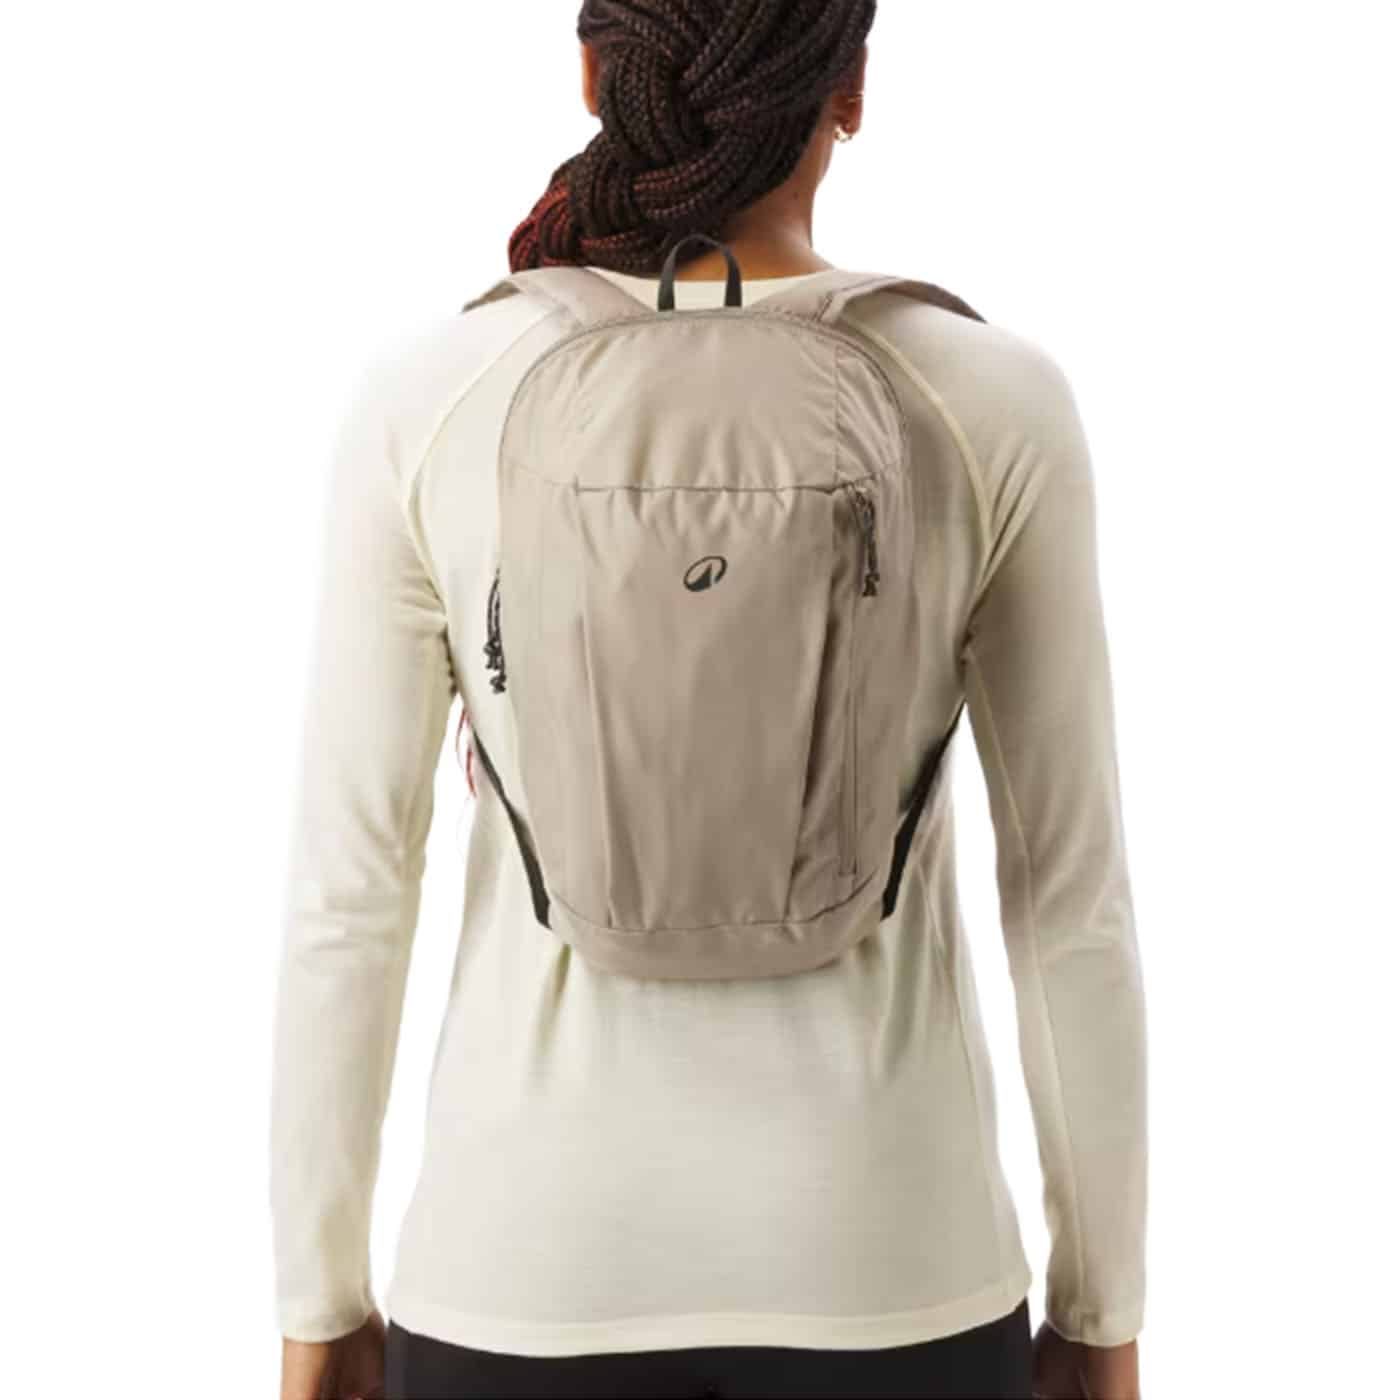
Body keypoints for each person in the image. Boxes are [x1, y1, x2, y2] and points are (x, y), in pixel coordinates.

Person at [268, 3, 1148, 1397]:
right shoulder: (991, 397)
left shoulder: (434, 394)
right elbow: (1068, 897)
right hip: (893, 1259)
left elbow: (352, 890)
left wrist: (317, 1298)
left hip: (522, 1267)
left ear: (593, 76)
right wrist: (1104, 1308)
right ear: (851, 90)